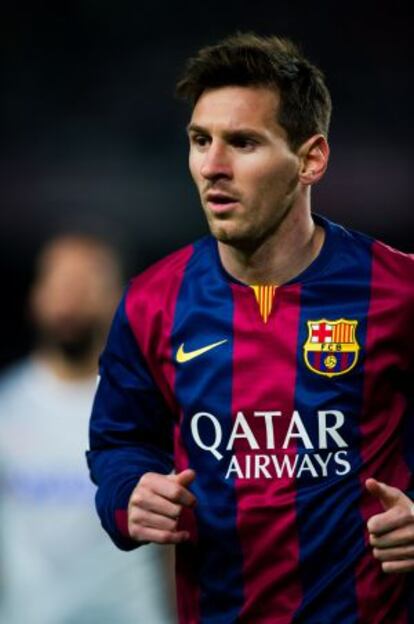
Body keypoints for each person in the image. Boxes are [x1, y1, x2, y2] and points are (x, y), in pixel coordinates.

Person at [87, 33, 414, 623]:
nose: (212, 166)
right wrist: (127, 494)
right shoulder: (152, 302)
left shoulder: (399, 291)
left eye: (242, 142)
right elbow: (119, 440)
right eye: (199, 140)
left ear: (311, 159)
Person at [0, 235, 176, 624]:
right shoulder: (6, 408)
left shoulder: (153, 408)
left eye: (85, 284)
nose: (70, 299)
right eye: (60, 283)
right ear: (36, 296)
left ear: (117, 298)